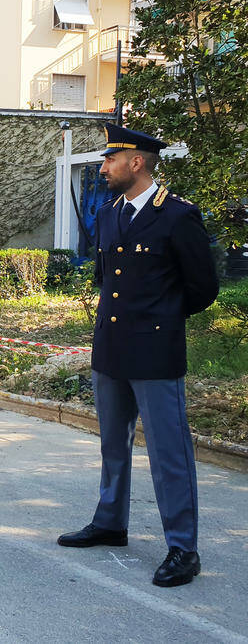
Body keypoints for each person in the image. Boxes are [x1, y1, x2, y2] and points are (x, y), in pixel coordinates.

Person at [57, 123, 219, 588]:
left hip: (155, 350)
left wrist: (161, 320)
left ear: (137, 162)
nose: (103, 167)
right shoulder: (109, 214)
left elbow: (202, 287)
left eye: (110, 159)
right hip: (111, 347)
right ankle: (110, 521)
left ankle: (183, 548)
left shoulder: (177, 215)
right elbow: (107, 277)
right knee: (112, 444)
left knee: (170, 452)